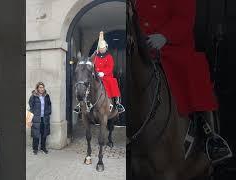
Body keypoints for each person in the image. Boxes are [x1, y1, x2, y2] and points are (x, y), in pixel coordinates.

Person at [134, 0, 232, 163]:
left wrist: (165, 36)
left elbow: (184, 19)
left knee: (192, 71)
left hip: (171, 48)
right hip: (141, 50)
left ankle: (207, 133)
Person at [74, 31, 125, 114]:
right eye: (100, 49)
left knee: (113, 82)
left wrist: (103, 73)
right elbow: (90, 63)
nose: (101, 50)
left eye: (103, 48)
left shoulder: (109, 57)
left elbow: (110, 68)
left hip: (106, 76)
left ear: (106, 48)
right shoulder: (95, 57)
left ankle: (117, 103)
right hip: (96, 76)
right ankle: (80, 104)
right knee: (85, 84)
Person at [29, 82, 52, 155]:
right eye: (40, 87)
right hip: (36, 118)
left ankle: (43, 148)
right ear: (37, 88)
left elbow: (49, 105)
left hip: (44, 118)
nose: (42, 89)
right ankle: (35, 149)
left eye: (43, 87)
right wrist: (32, 117)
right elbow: (31, 106)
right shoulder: (33, 96)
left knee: (44, 134)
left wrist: (48, 112)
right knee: (36, 134)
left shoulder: (46, 96)